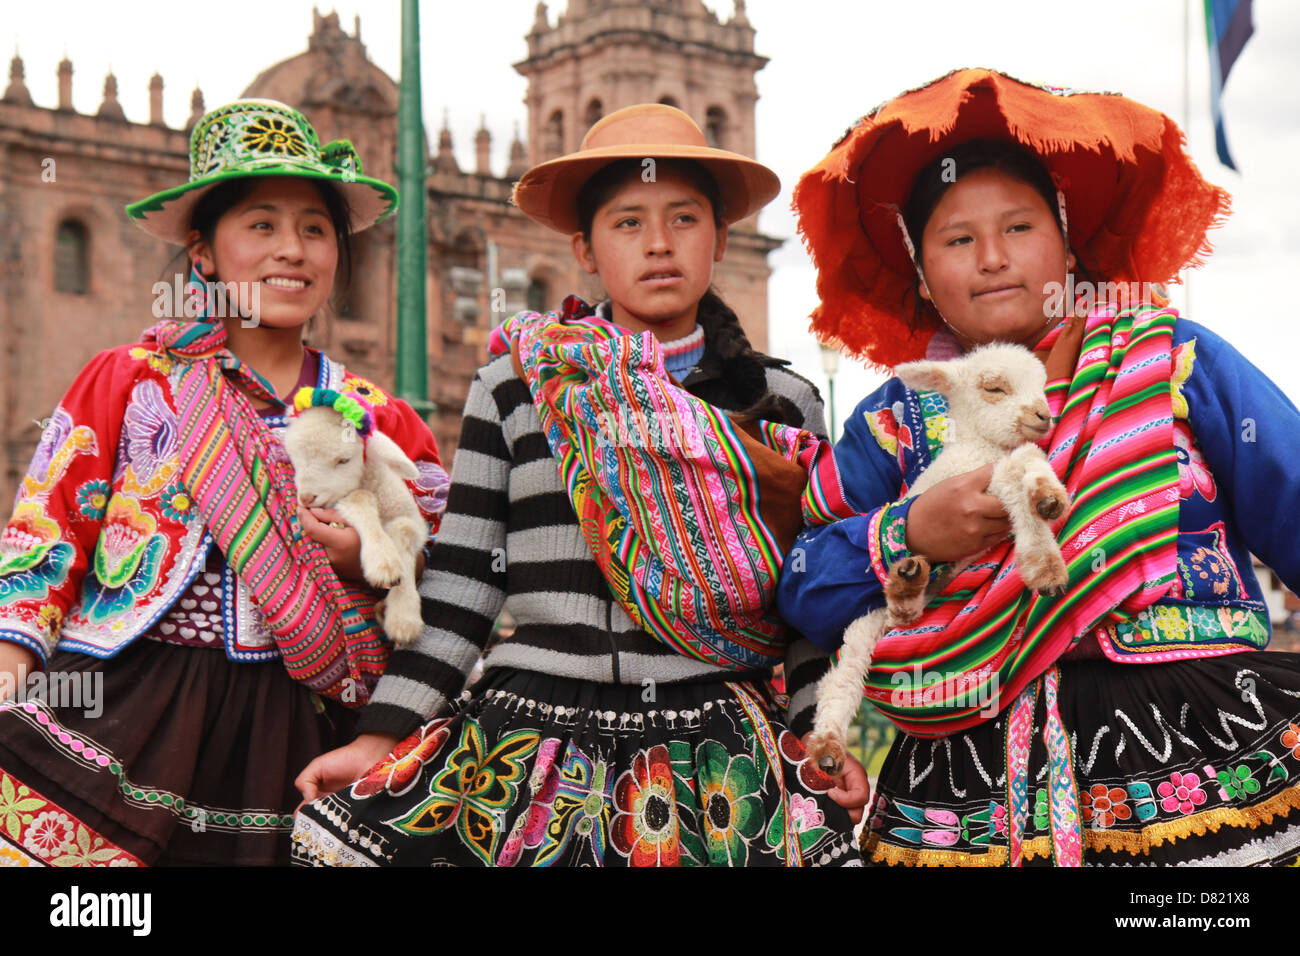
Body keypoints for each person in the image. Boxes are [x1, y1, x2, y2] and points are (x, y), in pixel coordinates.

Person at [292, 103, 868, 867]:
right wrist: (381, 733)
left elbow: (805, 598)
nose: (659, 244)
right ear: (586, 250)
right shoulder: (515, 385)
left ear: (721, 239)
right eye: (627, 223)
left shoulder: (780, 403)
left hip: (718, 744)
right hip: (530, 736)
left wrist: (818, 733)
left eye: (685, 219)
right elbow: (465, 581)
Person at [779, 68, 1300, 867]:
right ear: (923, 273)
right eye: (957, 239)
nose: (992, 258)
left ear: (1065, 240)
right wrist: (910, 531)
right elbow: (804, 586)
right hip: (960, 790)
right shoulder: (894, 419)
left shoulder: (1173, 363)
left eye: (1019, 228)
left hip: (1206, 754)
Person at [0, 99, 448, 866]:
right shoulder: (132, 383)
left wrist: (359, 562)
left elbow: (437, 572)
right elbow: (48, 526)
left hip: (303, 715)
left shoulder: (385, 421)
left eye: (315, 229)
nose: (293, 250)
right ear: (204, 255)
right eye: (262, 225)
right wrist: (14, 655)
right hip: (130, 697)